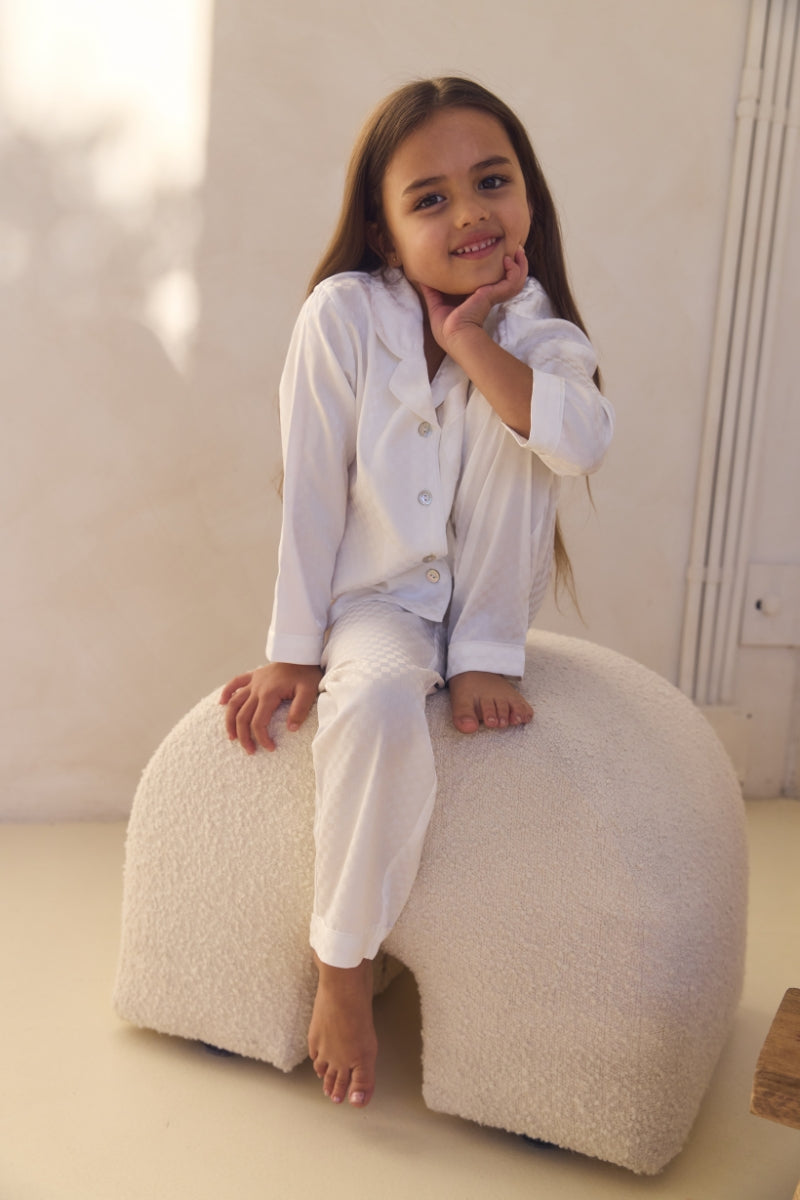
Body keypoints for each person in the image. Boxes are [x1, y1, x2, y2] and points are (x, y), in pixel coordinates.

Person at [220, 76, 614, 1111]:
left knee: (529, 410)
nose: (470, 212)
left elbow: (578, 444)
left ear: (527, 198)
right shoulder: (343, 316)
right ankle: (342, 968)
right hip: (377, 607)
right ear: (382, 233)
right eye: (429, 198)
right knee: (377, 705)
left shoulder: (538, 329)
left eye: (492, 182)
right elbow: (312, 488)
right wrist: (294, 648)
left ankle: (485, 652)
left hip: (482, 606)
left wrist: (476, 343)